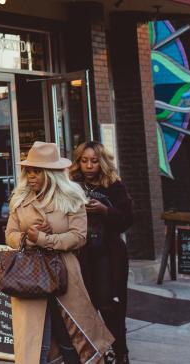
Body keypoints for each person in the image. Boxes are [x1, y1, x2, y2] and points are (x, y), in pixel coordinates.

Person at [5, 141, 114, 364]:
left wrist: (45, 238)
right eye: (29, 171)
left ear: (51, 174)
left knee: (71, 333)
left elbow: (79, 236)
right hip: (29, 275)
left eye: (37, 171)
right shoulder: (20, 199)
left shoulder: (72, 198)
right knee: (34, 340)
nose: (31, 176)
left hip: (64, 272)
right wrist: (28, 237)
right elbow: (10, 235)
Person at [70, 141, 134, 364]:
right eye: (84, 161)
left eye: (94, 161)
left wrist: (104, 210)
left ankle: (120, 351)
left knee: (110, 304)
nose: (89, 166)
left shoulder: (114, 186)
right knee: (86, 305)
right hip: (81, 252)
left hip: (109, 253)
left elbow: (127, 219)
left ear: (102, 162)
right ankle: (96, 351)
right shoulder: (72, 185)